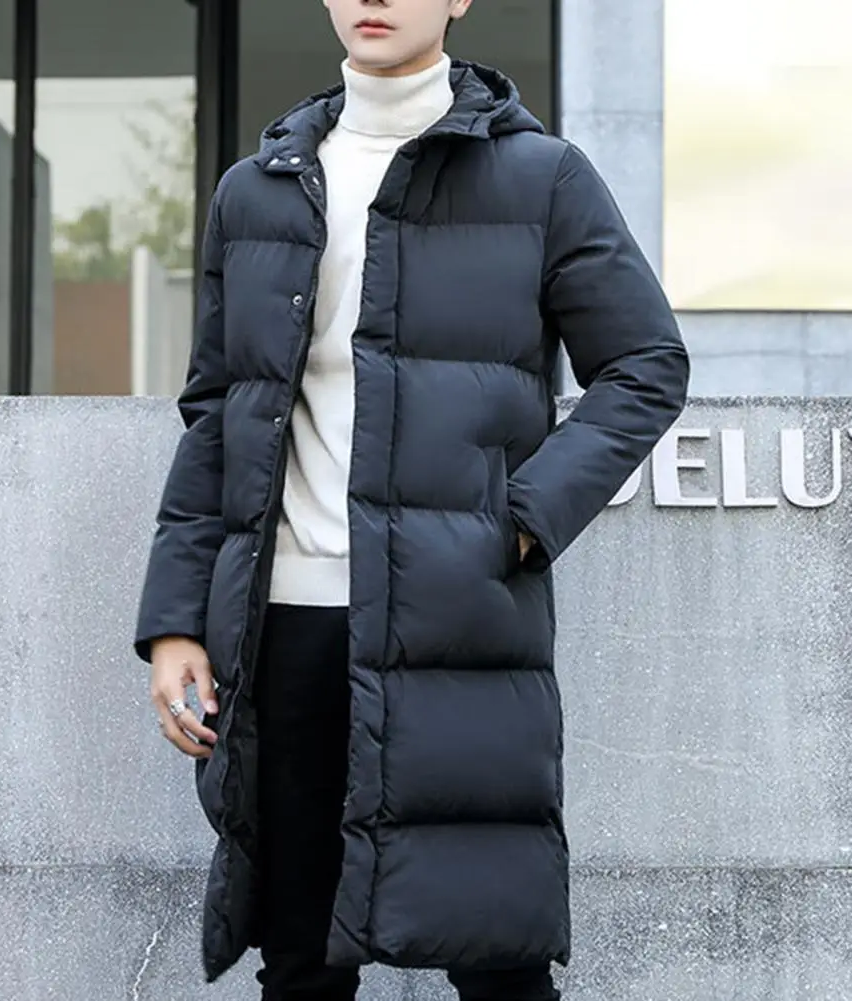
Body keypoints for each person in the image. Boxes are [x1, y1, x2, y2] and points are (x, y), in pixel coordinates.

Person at [134, 1, 690, 998]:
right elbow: (217, 412)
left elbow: (643, 363)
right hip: (282, 627)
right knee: (299, 959)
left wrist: (520, 520)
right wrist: (175, 619)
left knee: (496, 956)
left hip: (456, 619)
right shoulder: (255, 191)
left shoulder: (540, 178)